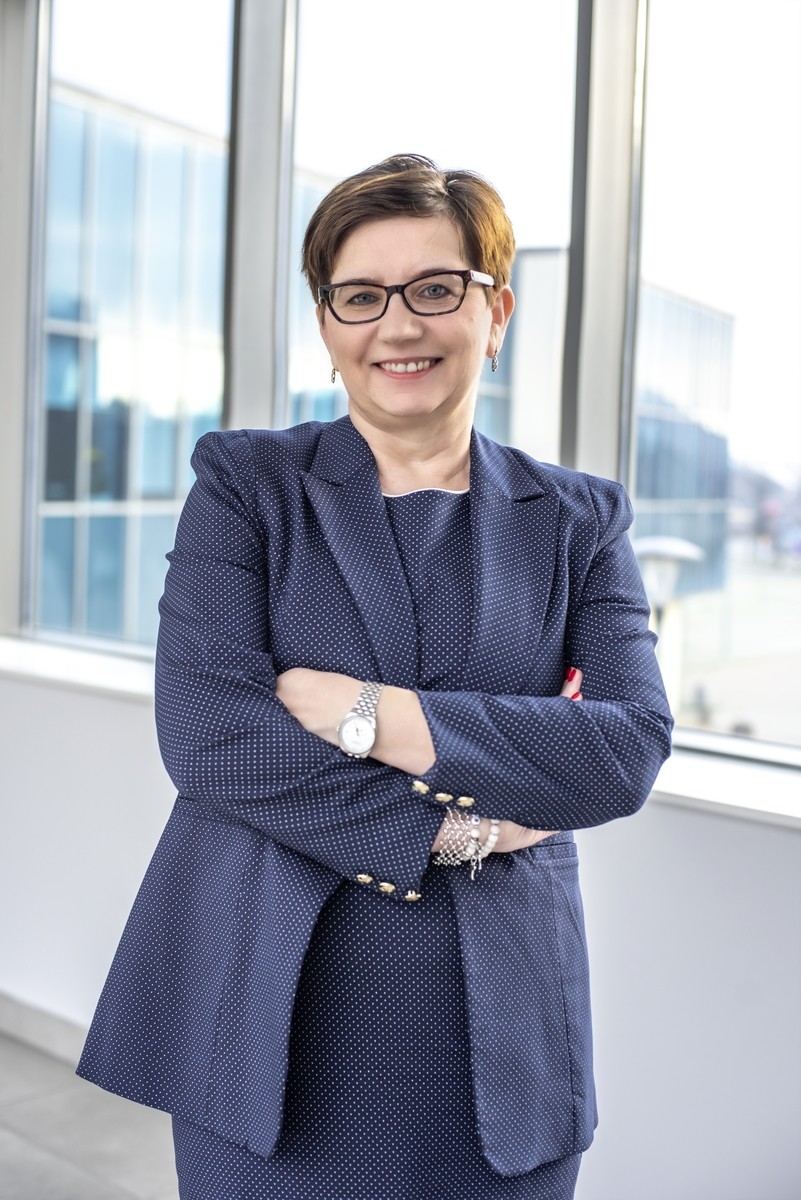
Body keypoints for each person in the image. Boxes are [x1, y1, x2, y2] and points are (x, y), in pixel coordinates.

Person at [77, 153, 673, 1199]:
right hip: (267, 1017)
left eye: (435, 289)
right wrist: (463, 827)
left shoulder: (581, 521)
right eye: (360, 296)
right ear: (327, 323)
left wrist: (366, 711)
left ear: (495, 312)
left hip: (502, 1035)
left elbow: (623, 753)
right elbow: (213, 739)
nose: (397, 325)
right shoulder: (248, 486)